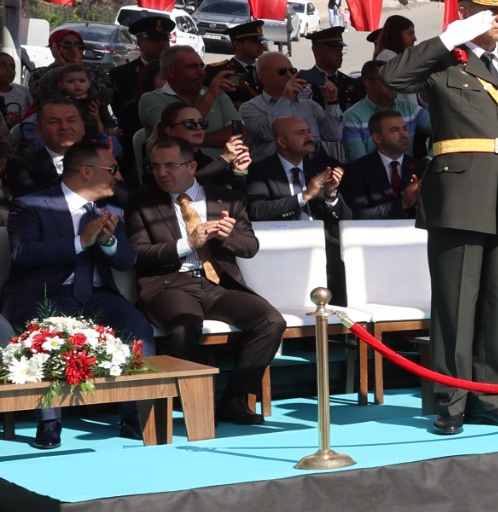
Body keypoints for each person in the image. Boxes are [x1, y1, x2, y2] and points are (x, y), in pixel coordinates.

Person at [382, 0, 498, 435]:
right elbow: (391, 77)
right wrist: (447, 37)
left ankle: (489, 396)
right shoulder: (443, 62)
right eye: (491, 10)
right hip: (458, 197)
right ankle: (450, 401)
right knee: (457, 303)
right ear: (467, 12)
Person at [127, 133, 283, 427]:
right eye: (155, 166)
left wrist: (228, 236)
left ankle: (233, 399)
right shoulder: (141, 201)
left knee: (271, 321)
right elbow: (138, 254)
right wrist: (188, 243)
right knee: (186, 323)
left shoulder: (229, 198)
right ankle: (190, 403)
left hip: (218, 284)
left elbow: (250, 247)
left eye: (170, 165)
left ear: (191, 167)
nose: (162, 172)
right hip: (169, 284)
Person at [2, 141, 152, 448]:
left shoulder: (112, 209)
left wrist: (109, 242)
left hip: (95, 294)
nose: (118, 176)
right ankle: (49, 420)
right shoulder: (32, 204)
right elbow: (22, 252)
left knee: (139, 328)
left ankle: (134, 414)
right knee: (41, 332)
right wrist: (80, 242)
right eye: (111, 169)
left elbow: (127, 261)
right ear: (86, 171)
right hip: (43, 294)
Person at [243, 115, 343, 222]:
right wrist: (305, 196)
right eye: (300, 133)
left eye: (309, 131)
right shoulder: (260, 170)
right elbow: (257, 211)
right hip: (283, 235)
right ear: (282, 142)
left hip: (322, 236)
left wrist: (330, 195)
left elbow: (346, 217)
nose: (310, 137)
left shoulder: (322, 167)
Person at [340, 109, 422, 219]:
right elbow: (359, 215)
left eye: (405, 128)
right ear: (377, 138)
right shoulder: (357, 170)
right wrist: (403, 203)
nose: (403, 134)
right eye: (394, 130)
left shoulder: (420, 168)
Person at [6, 97, 90, 200]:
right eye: (54, 121)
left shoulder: (100, 160)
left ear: (83, 127)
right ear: (39, 130)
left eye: (71, 120)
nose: (64, 126)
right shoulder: (21, 167)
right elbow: (32, 206)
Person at [110, 13, 175, 136]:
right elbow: (122, 112)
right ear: (140, 42)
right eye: (154, 39)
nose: (162, 43)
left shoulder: (178, 72)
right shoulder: (121, 74)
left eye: (165, 39)